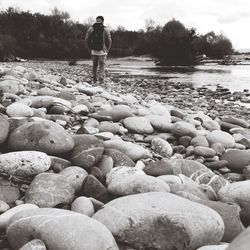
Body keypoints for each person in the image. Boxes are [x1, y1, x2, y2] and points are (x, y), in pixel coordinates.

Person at [85, 16, 112, 84]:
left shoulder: (91, 28)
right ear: (103, 21)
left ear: (96, 20)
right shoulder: (105, 29)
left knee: (95, 65)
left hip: (93, 51)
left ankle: (94, 79)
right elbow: (109, 40)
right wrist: (107, 49)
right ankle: (101, 79)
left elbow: (86, 40)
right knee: (102, 65)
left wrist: (89, 49)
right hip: (102, 51)